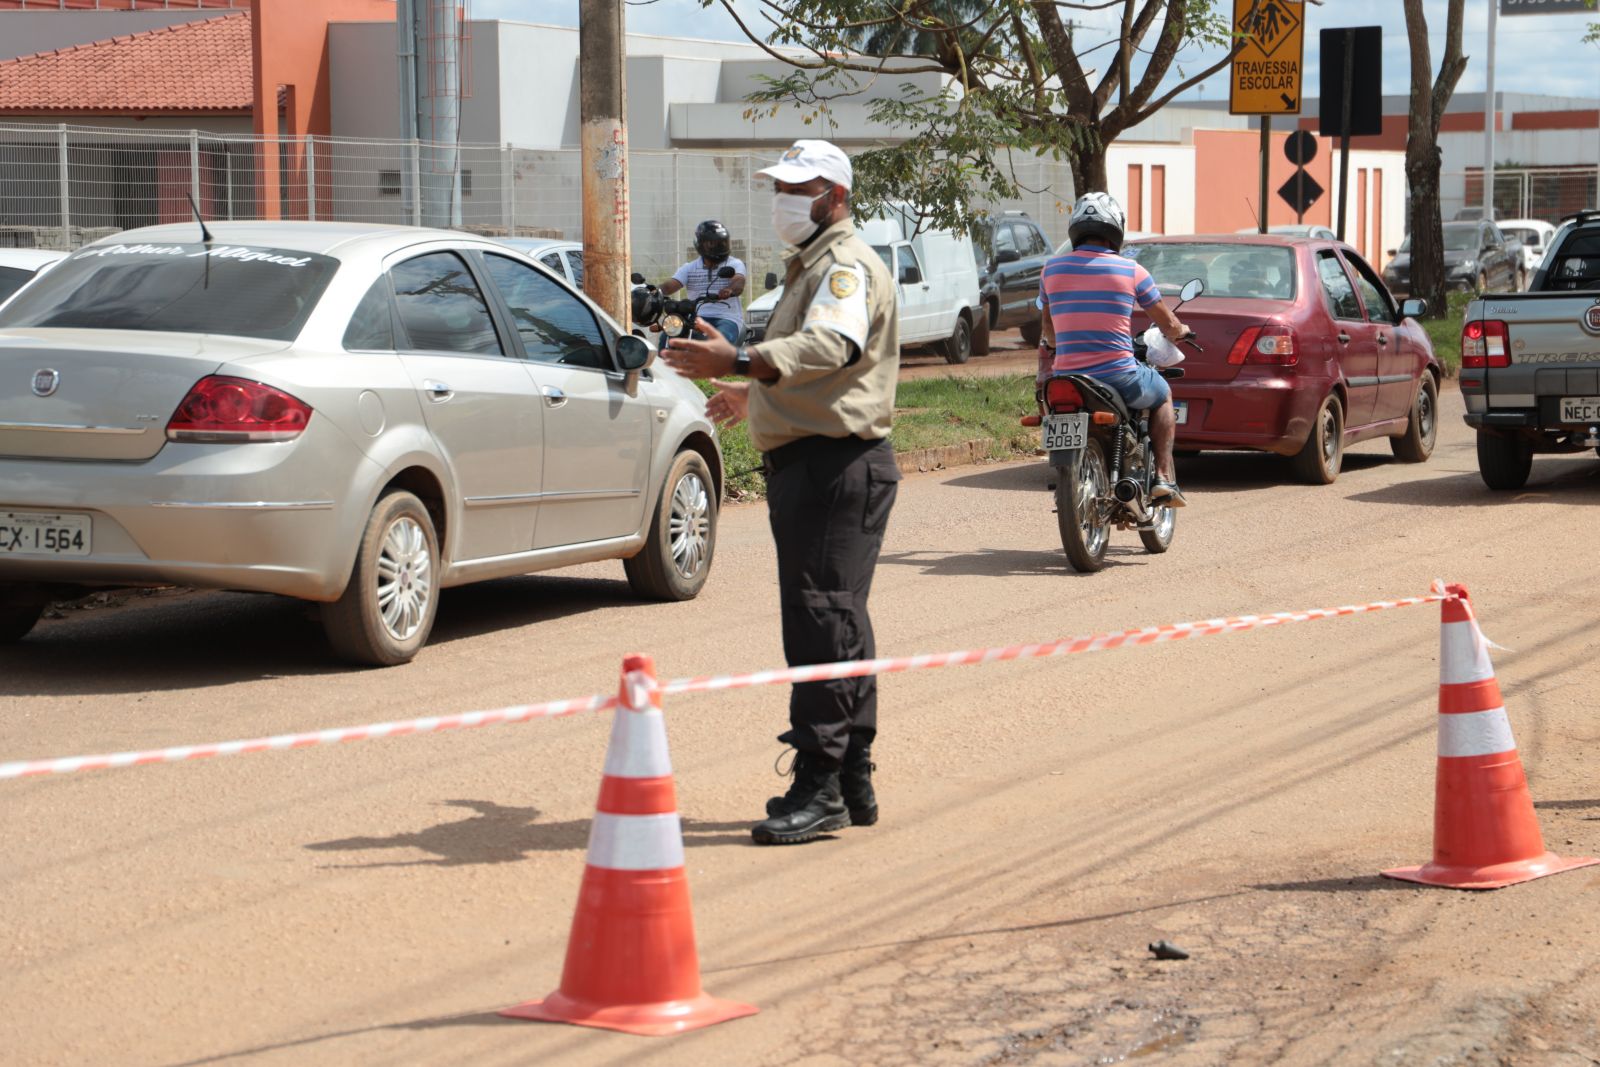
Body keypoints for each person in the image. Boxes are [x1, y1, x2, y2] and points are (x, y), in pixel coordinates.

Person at [657, 139, 900, 847]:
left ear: (838, 196)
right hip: (826, 460)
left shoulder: (843, 266)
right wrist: (749, 391)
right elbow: (817, 380)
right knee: (839, 618)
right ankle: (851, 772)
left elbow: (832, 347)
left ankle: (821, 784)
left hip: (834, 467)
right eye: (782, 186)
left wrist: (740, 356)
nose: (785, 199)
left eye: (803, 187)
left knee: (820, 621)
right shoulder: (815, 264)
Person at [1037, 191, 1193, 506]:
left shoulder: (1050, 271)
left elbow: (1048, 332)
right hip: (1119, 375)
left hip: (1067, 377)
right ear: (1115, 230)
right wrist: (1181, 331)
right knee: (1163, 394)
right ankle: (1164, 477)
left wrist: (1059, 345)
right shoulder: (1132, 272)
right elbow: (1167, 323)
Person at [660, 219, 746, 346]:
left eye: (722, 243)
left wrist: (730, 290)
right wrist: (653, 292)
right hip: (696, 318)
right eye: (711, 243)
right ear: (700, 243)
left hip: (726, 318)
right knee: (667, 337)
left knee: (718, 343)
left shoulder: (734, 264)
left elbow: (739, 281)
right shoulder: (690, 268)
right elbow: (669, 286)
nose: (717, 247)